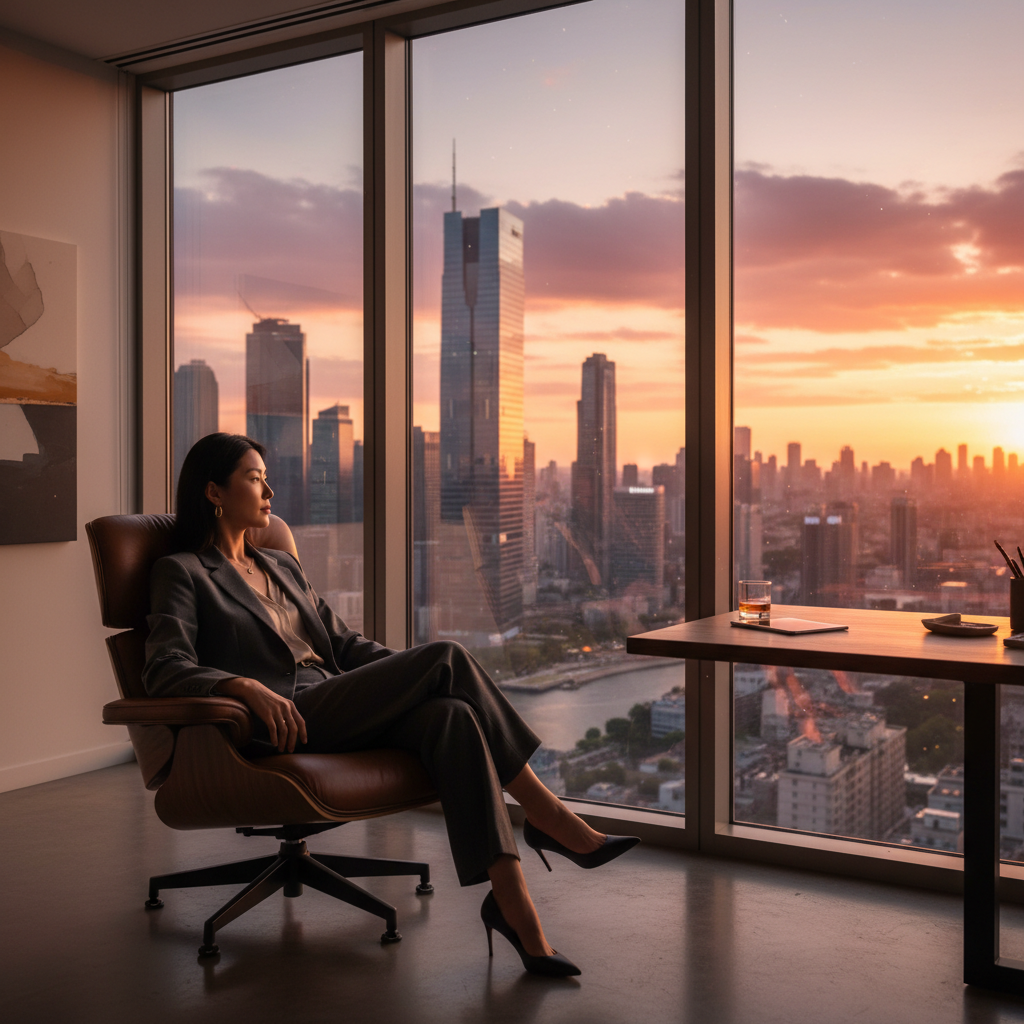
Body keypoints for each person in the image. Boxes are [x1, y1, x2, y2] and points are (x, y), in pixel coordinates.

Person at [144, 433, 639, 977]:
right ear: (214, 491)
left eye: (265, 477)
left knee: (453, 713)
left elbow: (345, 645)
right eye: (254, 477)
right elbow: (163, 667)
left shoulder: (281, 566)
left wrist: (415, 674)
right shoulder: (184, 572)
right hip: (278, 720)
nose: (268, 490)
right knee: (447, 657)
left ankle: (514, 907)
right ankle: (549, 817)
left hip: (331, 698)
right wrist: (242, 686)